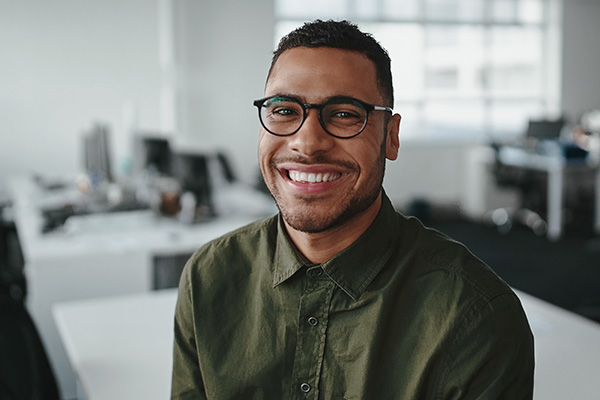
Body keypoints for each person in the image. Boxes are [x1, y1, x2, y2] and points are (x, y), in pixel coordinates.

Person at [171, 19, 534, 399]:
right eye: (284, 110)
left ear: (390, 137)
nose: (307, 143)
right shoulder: (208, 277)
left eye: (344, 113)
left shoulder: (474, 315)